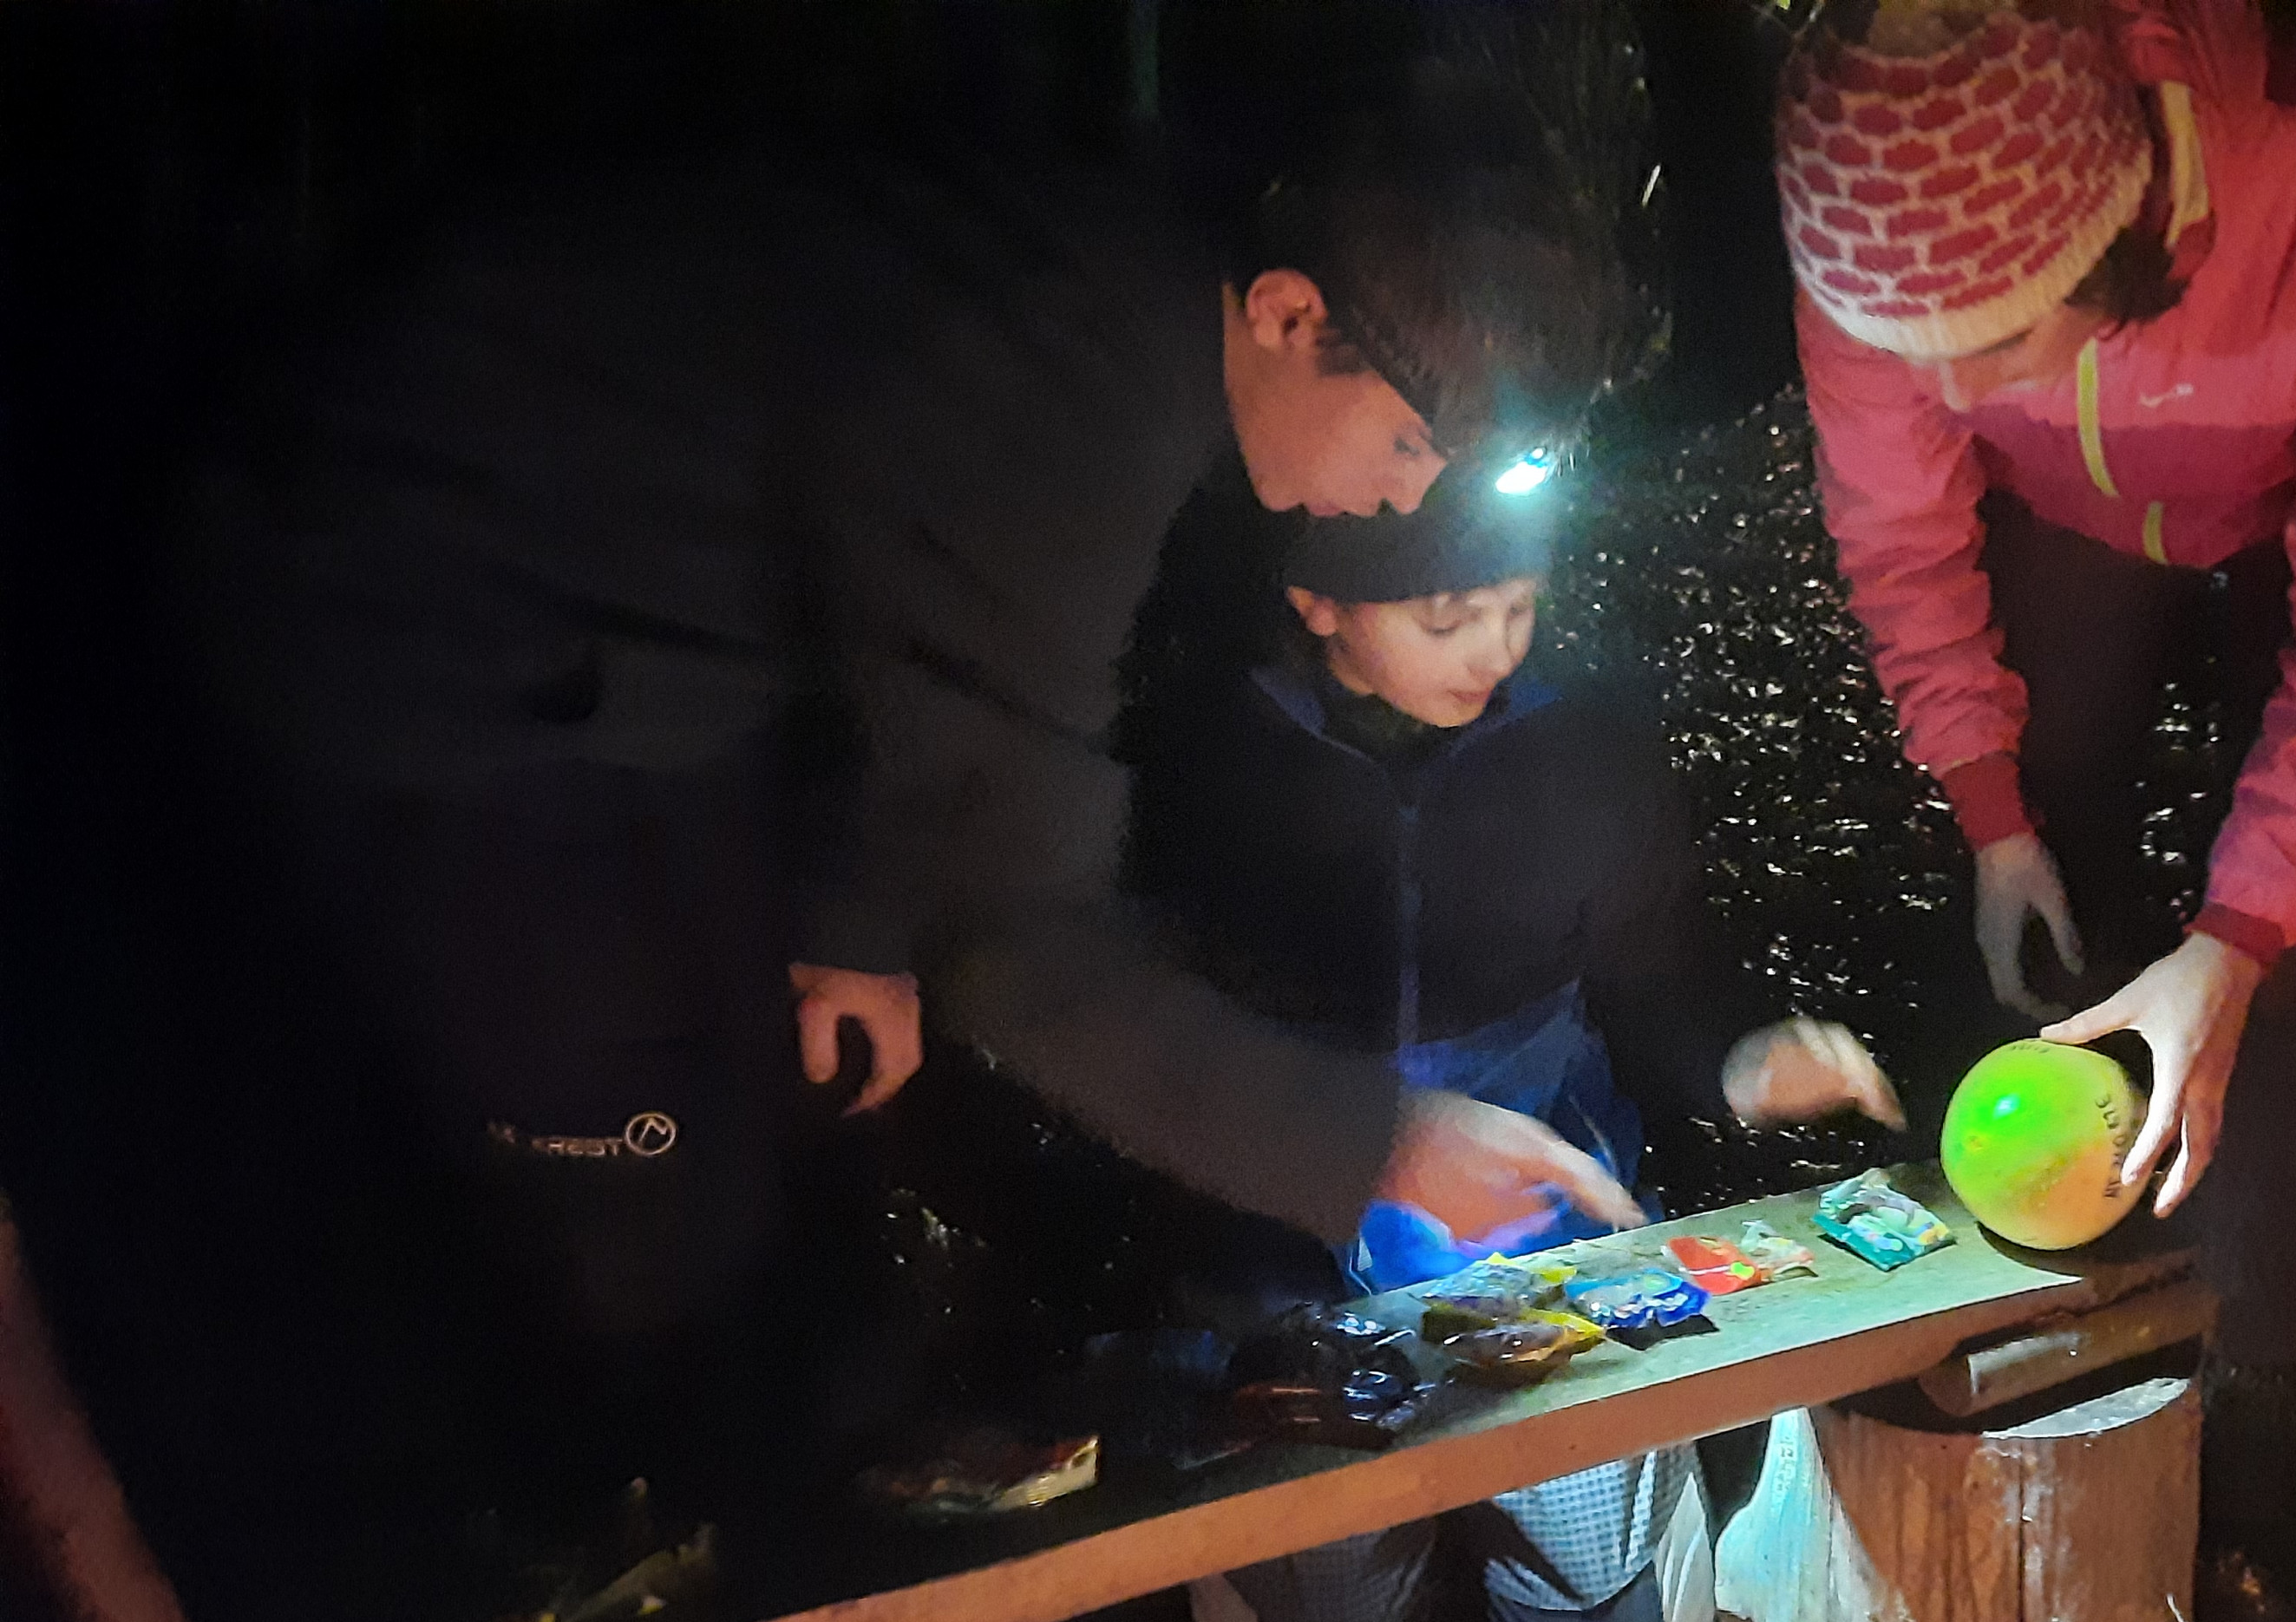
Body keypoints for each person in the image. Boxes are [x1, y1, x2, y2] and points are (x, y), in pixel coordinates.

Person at [176, 79, 1642, 1523]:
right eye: (1409, 445)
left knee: (791, 1106)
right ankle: (613, 1551)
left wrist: (857, 916)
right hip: (435, 618)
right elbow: (1012, 937)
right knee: (635, 1204)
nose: (1407, 500)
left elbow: (893, 580)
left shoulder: (1142, 287)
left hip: (655, 650)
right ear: (1288, 314)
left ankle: (764, 1465)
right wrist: (1377, 1147)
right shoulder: (1083, 387)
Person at [1772, 0, 2296, 1384]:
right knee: (2045, 854)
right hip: (2066, 500)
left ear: (2110, 241)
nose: (1944, 389)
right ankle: (2046, 1281)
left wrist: (2238, 940)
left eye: (1991, 339)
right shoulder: (1870, 245)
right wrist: (1991, 813)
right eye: (1908, 351)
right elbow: (1901, 535)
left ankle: (2269, 1367)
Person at [1128, 504, 1898, 1622]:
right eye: (1448, 621)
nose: (1494, 651)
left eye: (1519, 609)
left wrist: (1736, 1065)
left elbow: (1654, 975)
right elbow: (1139, 1037)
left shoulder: (1579, 741)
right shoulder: (1203, 759)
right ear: (1319, 604)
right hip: (1288, 1281)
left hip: (1554, 1256)